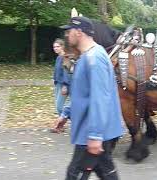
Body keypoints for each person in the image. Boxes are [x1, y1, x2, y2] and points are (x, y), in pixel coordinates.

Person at [58, 16, 124, 180]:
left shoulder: (94, 59)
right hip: (92, 130)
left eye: (69, 31)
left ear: (79, 32)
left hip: (91, 131)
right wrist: (66, 114)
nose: (67, 35)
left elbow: (100, 98)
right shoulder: (87, 56)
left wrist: (95, 136)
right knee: (106, 172)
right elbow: (82, 93)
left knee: (74, 174)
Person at [50, 38, 71, 133]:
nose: (55, 48)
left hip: (64, 84)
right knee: (59, 106)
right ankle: (60, 125)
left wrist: (65, 85)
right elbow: (57, 71)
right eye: (54, 47)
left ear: (62, 47)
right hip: (58, 83)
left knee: (59, 106)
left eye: (57, 46)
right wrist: (54, 79)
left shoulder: (65, 57)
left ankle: (61, 124)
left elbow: (66, 72)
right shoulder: (59, 57)